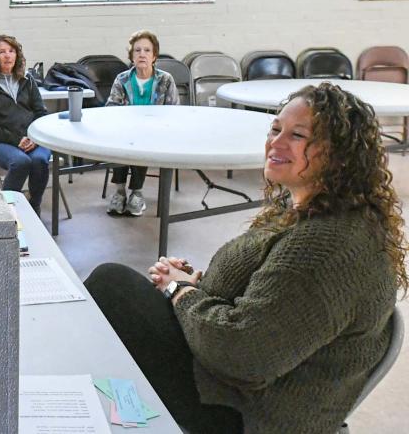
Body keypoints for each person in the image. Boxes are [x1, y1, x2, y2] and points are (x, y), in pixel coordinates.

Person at [84, 82, 407, 434]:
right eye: (275, 129)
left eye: (298, 136)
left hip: (247, 414)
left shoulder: (327, 246)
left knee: (111, 286)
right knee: (113, 294)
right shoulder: (304, 209)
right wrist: (196, 285)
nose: (277, 143)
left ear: (340, 155)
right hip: (237, 380)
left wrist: (180, 292)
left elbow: (243, 356)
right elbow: (267, 294)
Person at [0, 34, 49, 215]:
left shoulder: (27, 79)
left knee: (39, 160)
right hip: (2, 143)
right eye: (2, 52)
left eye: (11, 51)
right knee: (21, 162)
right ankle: (7, 211)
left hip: (34, 139)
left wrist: (34, 138)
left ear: (17, 55)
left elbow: (41, 113)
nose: (7, 55)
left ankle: (34, 206)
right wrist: (17, 140)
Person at [105, 30, 179, 216]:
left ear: (154, 56)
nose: (142, 54)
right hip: (125, 132)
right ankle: (120, 192)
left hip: (155, 134)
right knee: (122, 140)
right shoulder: (122, 79)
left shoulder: (165, 80)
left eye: (147, 50)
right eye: (137, 50)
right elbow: (110, 108)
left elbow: (175, 112)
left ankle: (136, 193)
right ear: (131, 56)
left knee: (141, 141)